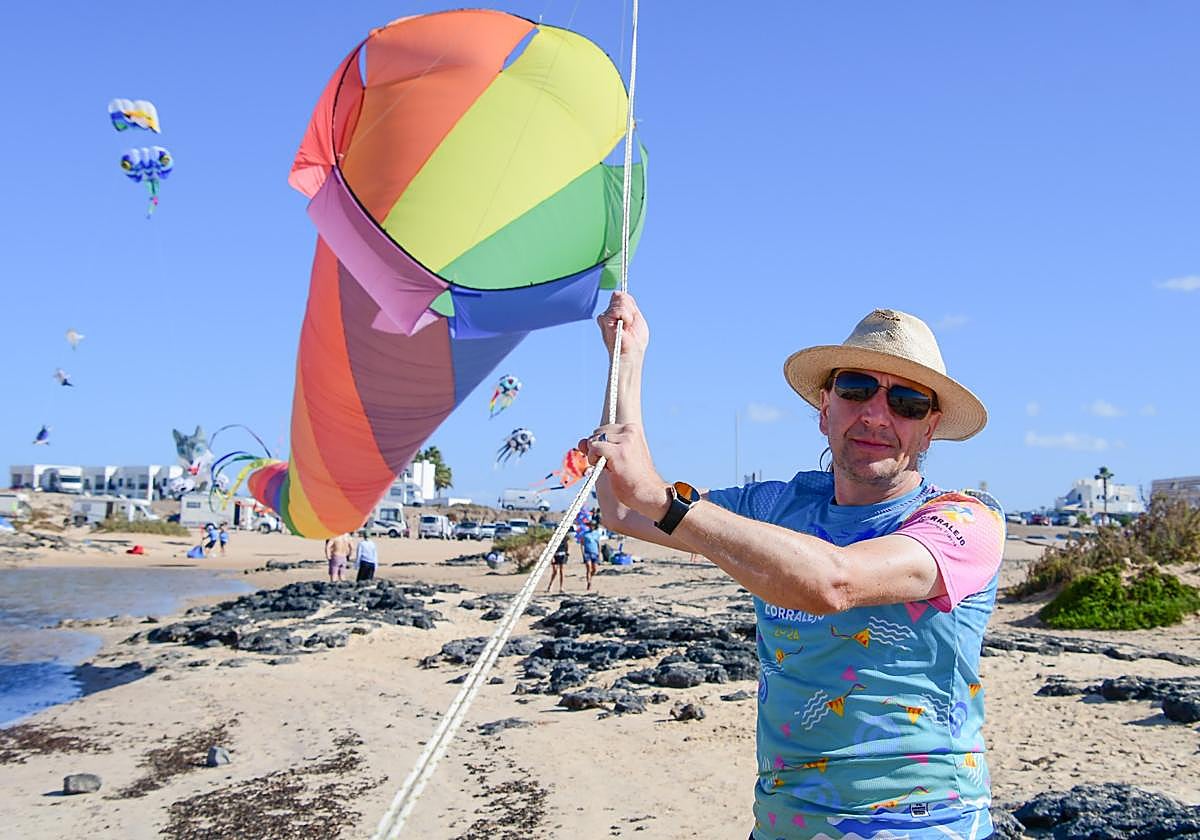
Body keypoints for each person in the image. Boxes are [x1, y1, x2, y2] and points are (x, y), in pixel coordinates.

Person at [579, 293, 1004, 840]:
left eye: (907, 402)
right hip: (782, 824)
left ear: (929, 428)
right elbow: (623, 509)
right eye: (856, 391)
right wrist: (627, 360)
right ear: (825, 408)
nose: (877, 414)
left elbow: (835, 581)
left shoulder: (964, 522)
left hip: (924, 826)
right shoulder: (778, 507)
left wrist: (665, 500)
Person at [580, 526, 600, 591]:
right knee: (588, 567)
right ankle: (589, 582)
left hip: (595, 553)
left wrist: (599, 553)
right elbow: (582, 544)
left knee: (594, 569)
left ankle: (590, 578)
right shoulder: (585, 534)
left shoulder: (597, 534)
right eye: (591, 525)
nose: (592, 527)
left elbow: (598, 544)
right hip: (587, 553)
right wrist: (583, 553)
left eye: (593, 525)